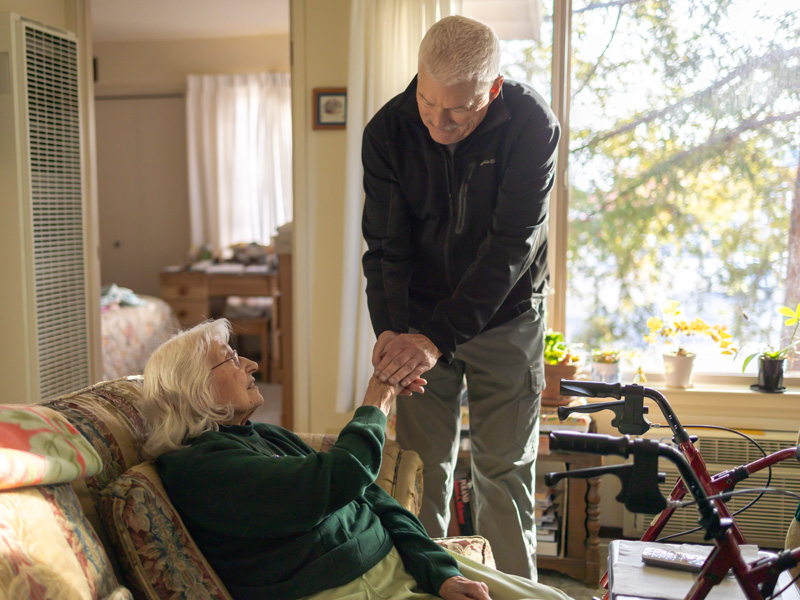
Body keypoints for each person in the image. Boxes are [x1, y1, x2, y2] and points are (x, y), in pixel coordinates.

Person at [139, 319, 574, 600]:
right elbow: (335, 480)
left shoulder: (262, 435)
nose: (251, 364)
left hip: (396, 564)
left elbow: (375, 500)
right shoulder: (200, 469)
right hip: (348, 587)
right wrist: (379, 397)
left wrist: (439, 572)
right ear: (194, 388)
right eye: (231, 359)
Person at [361, 15, 560, 579]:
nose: (438, 123)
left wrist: (435, 336)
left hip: (507, 316)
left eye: (457, 111)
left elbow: (509, 246)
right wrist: (394, 334)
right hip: (420, 320)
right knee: (421, 473)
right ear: (418, 78)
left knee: (505, 474)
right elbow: (385, 247)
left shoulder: (532, 125)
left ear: (492, 91)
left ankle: (517, 593)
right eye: (427, 103)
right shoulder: (387, 132)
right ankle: (428, 586)